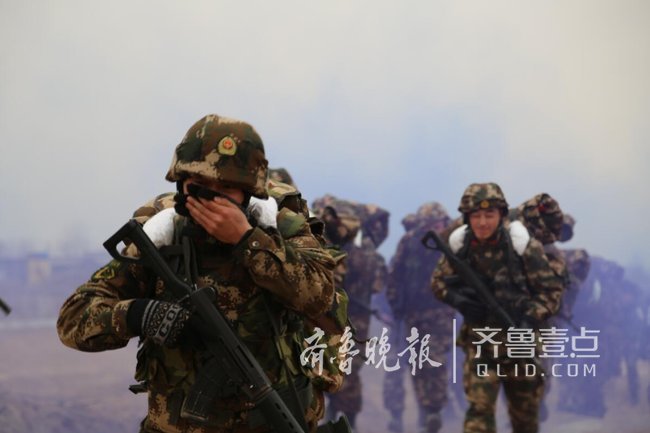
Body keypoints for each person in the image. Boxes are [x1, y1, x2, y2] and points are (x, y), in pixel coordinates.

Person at [57, 114, 336, 433]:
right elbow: (73, 319)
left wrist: (248, 240)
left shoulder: (281, 228)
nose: (212, 199)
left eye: (226, 188)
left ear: (248, 192)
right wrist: (138, 314)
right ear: (182, 184)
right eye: (200, 187)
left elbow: (321, 298)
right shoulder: (162, 236)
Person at [431, 183, 563, 433]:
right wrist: (459, 301)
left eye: (489, 215)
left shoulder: (522, 247)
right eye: (476, 216)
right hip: (481, 343)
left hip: (522, 345)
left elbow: (551, 291)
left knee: (524, 420)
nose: (482, 222)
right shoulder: (460, 246)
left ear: (501, 215)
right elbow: (437, 283)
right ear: (467, 218)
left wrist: (528, 320)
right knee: (478, 414)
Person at [312, 195, 389, 431]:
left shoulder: (338, 250)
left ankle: (339, 417)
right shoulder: (365, 252)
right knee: (345, 371)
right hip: (351, 320)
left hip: (341, 319)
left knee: (336, 369)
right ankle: (342, 418)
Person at [384, 202, 455, 433]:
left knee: (435, 360)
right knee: (417, 363)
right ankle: (426, 409)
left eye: (439, 223)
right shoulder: (409, 243)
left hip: (440, 313)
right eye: (431, 224)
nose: (436, 228)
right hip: (412, 314)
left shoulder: (451, 244)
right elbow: (395, 275)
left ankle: (434, 408)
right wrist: (395, 305)